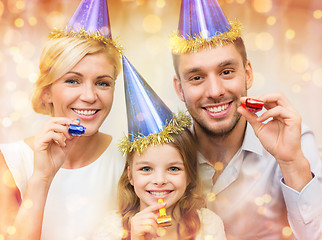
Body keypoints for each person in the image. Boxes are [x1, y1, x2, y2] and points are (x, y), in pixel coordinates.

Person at [169, 0, 322, 239]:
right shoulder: (164, 153)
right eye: (197, 77)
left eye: (226, 72)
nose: (214, 91)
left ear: (248, 74)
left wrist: (292, 162)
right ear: (180, 89)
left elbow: (316, 235)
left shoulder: (292, 139)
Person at [0, 0, 125, 239]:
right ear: (46, 91)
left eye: (102, 83)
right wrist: (41, 178)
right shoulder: (9, 162)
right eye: (72, 80)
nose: (89, 96)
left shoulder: (131, 161)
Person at [92, 56, 226, 240]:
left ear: (190, 175)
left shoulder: (208, 226)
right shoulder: (112, 230)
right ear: (130, 175)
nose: (160, 180)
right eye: (146, 169)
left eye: (173, 168)